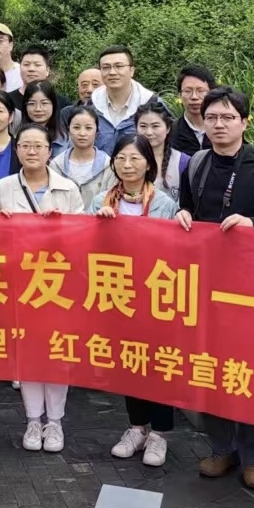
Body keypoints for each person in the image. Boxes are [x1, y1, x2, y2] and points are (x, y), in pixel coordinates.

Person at [178, 86, 254, 490]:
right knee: (211, 369)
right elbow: (189, 208)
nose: (219, 124)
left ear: (245, 122)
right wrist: (183, 215)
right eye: (211, 117)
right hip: (207, 287)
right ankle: (222, 447)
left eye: (228, 117)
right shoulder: (196, 164)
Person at [0, 123, 83, 452]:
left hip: (58, 284)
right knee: (28, 353)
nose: (31, 151)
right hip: (20, 283)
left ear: (49, 151)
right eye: (25, 146)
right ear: (16, 150)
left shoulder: (68, 188)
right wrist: (1, 224)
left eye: (38, 146)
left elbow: (83, 238)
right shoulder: (5, 186)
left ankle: (54, 422)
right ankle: (33, 420)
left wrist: (62, 227)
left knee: (57, 352)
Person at [90, 135, 180, 467]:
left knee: (159, 363)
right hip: (119, 294)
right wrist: (97, 226)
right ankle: (137, 427)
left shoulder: (165, 203)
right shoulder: (100, 201)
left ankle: (160, 434)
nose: (127, 165)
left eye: (135, 159)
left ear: (148, 164)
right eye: (121, 159)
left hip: (156, 294)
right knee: (130, 361)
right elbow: (83, 247)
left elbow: (176, 250)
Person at [90, 46, 156, 153]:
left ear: (132, 71)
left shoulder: (152, 103)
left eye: (119, 66)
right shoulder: (91, 106)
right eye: (106, 67)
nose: (112, 72)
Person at [51, 107, 115, 207]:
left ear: (97, 132)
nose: (82, 133)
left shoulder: (108, 165)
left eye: (88, 128)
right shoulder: (57, 165)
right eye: (76, 127)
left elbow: (112, 201)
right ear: (69, 130)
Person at [135, 101, 185, 200]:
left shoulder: (182, 161)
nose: (149, 132)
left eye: (155, 126)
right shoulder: (126, 159)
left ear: (168, 128)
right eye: (143, 126)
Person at [170, 65, 216, 155]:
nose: (194, 97)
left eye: (200, 91)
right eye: (187, 91)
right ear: (179, 95)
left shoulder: (223, 129)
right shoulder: (170, 132)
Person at [22, 82, 67, 157]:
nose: (38, 109)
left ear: (53, 105)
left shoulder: (67, 141)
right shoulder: (18, 138)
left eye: (44, 103)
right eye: (32, 104)